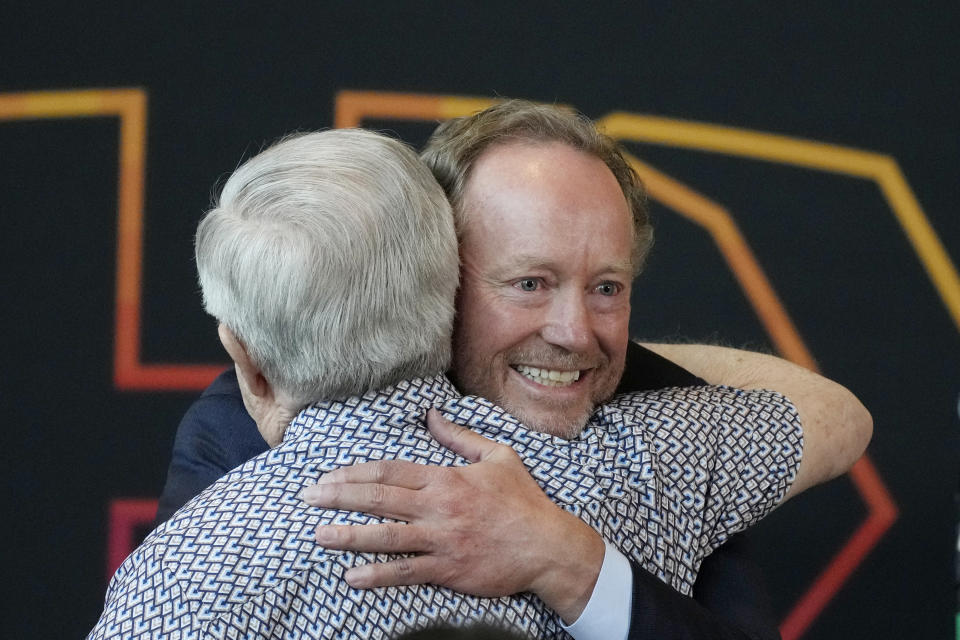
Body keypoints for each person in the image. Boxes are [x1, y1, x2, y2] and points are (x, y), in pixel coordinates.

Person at [88, 126, 858, 640]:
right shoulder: (651, 461)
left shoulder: (643, 433)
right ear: (445, 279)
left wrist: (569, 559)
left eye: (608, 288)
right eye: (528, 283)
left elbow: (839, 419)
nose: (572, 330)